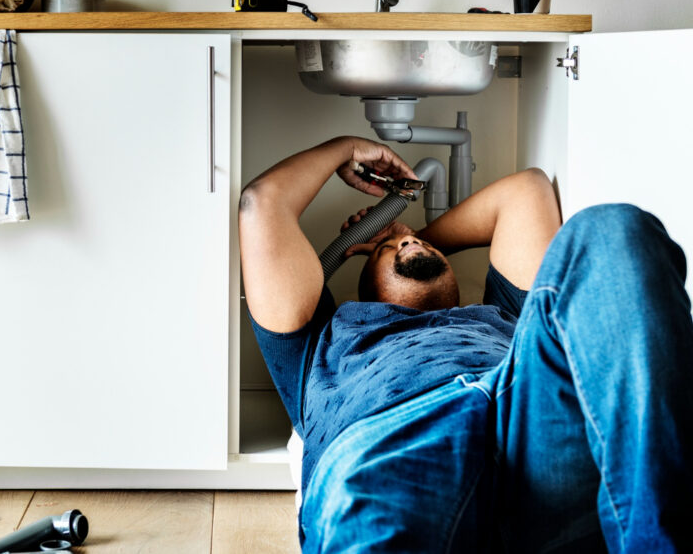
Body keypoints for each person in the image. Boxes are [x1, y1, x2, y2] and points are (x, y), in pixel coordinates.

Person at [238, 135, 693, 553]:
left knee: (613, 231)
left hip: (526, 416)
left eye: (412, 242)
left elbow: (526, 191)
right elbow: (262, 203)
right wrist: (346, 148)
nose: (407, 242)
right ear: (364, 288)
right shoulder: (322, 339)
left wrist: (406, 239)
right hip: (392, 443)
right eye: (386, 252)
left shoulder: (502, 312)